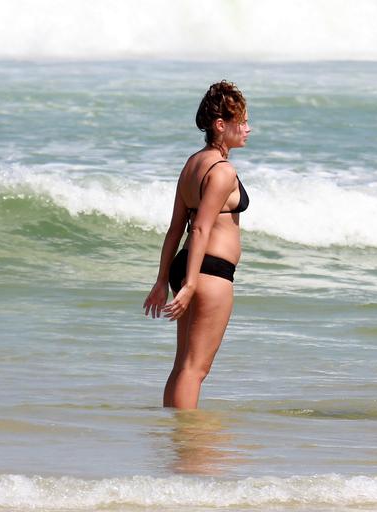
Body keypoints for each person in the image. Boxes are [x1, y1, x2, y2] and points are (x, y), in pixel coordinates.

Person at [143, 80, 251, 409]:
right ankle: (187, 447)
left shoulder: (193, 163)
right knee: (196, 369)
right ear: (221, 125)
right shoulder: (222, 171)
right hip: (209, 272)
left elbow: (176, 229)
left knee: (183, 366)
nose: (248, 128)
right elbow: (201, 228)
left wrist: (164, 280)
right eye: (242, 122)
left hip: (188, 265)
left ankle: (174, 437)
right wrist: (188, 285)